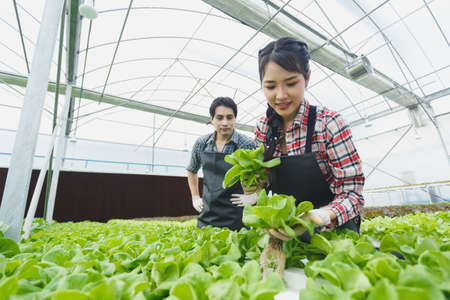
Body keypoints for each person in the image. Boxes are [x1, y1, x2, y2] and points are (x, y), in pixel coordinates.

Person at [231, 37, 365, 241]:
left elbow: (352, 195)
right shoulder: (263, 128)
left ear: (307, 77)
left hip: (332, 237)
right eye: (270, 86)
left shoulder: (328, 124)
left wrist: (318, 217)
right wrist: (254, 188)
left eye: (291, 83)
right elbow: (265, 184)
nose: (281, 95)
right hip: (287, 237)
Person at [186, 97, 256, 230]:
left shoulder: (247, 144)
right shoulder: (202, 143)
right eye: (219, 118)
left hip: (237, 215)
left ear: (235, 119)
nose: (225, 123)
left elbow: (262, 174)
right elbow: (192, 169)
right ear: (212, 119)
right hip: (208, 214)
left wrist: (254, 196)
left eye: (229, 117)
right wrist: (195, 197)